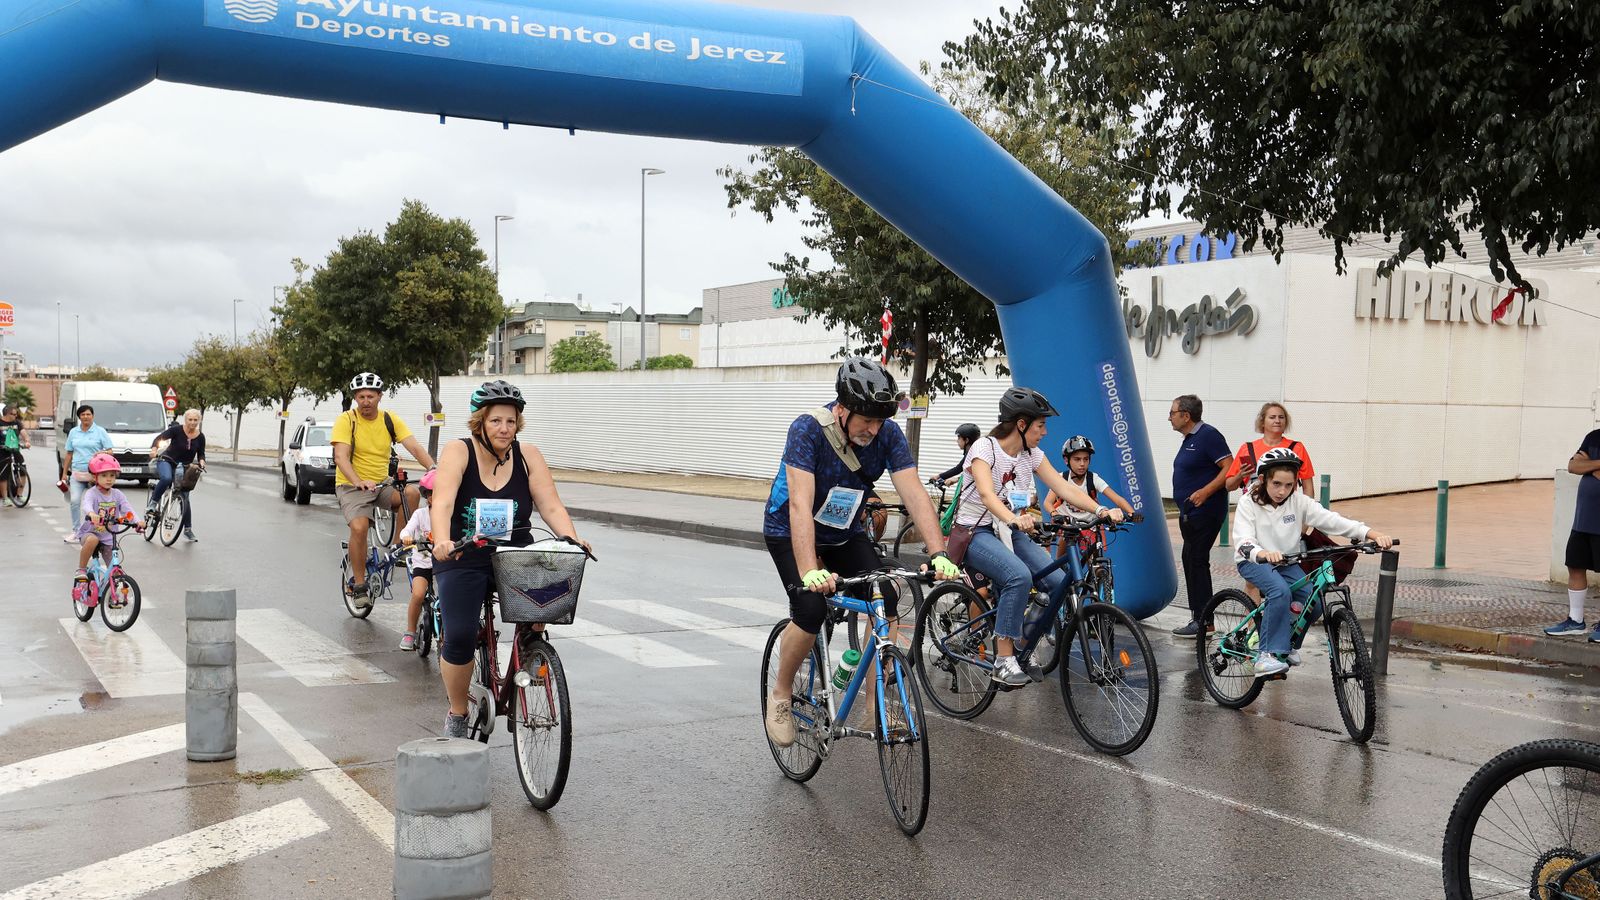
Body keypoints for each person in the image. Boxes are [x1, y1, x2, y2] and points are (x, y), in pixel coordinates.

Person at [762, 358, 960, 747]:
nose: (873, 429)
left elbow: (914, 492)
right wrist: (809, 571)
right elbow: (800, 504)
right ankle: (781, 694)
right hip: (789, 530)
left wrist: (939, 552)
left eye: (879, 420)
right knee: (810, 608)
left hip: (841, 531)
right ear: (842, 409)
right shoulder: (808, 430)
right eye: (865, 421)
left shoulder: (886, 434)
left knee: (885, 595)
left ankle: (877, 704)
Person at [430, 380, 589, 738]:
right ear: (480, 423)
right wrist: (442, 539)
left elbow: (550, 504)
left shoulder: (528, 454)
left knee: (544, 605)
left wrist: (573, 539)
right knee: (459, 634)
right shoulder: (459, 451)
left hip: (514, 554)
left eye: (511, 421)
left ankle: (532, 651)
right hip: (463, 553)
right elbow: (442, 502)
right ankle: (457, 712)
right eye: (496, 421)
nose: (504, 429)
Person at [952, 388, 1124, 685]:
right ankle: (1003, 660)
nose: (1045, 432)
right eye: (1040, 425)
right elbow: (986, 494)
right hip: (974, 532)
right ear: (1021, 424)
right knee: (1018, 576)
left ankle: (1023, 644)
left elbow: (1064, 487)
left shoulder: (1030, 454)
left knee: (1056, 583)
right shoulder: (985, 449)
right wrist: (1014, 519)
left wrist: (1101, 509)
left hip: (1009, 528)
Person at [1233, 448, 1393, 676]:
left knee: (1313, 599)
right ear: (1263, 479)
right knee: (1279, 591)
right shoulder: (1248, 503)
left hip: (1286, 561)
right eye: (1277, 484)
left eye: (1289, 485)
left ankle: (1287, 646)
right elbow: (1243, 540)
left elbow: (1331, 520)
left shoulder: (1298, 501)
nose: (1282, 491)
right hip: (1254, 561)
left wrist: (1371, 534)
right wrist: (1263, 553)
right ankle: (1265, 655)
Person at [333, 372, 435, 609]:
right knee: (359, 527)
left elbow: (414, 446)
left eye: (370, 396)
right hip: (352, 486)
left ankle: (399, 545)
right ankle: (359, 585)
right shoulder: (347, 420)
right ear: (355, 398)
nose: (365, 401)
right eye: (361, 396)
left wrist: (433, 468)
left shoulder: (389, 419)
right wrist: (358, 480)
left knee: (410, 493)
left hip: (381, 484)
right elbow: (341, 456)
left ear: (379, 396)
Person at [1169, 394, 1231, 637]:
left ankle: (1204, 621)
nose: (1169, 417)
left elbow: (1229, 466)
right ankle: (1200, 617)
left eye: (1173, 413)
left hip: (1206, 512)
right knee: (1190, 559)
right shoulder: (1189, 439)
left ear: (1186, 415)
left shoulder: (1208, 435)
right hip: (1191, 514)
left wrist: (1205, 492)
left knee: (1196, 560)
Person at [1546, 427, 1600, 641]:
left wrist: (1588, 466)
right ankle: (1575, 621)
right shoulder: (1593, 437)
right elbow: (1573, 466)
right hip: (1583, 520)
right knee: (1575, 566)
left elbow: (1582, 466)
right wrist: (1596, 466)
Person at [1043, 435, 1136, 556]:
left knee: (1094, 557)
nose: (1082, 464)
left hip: (1089, 525)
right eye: (1077, 459)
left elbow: (1117, 498)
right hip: (1068, 526)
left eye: (1085, 459)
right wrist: (1055, 515)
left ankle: (1095, 573)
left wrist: (1132, 513)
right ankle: (1061, 569)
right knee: (1062, 555)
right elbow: (1047, 503)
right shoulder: (1061, 479)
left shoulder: (1093, 479)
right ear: (1067, 460)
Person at [71, 453, 143, 602]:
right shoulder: (92, 493)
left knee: (116, 571)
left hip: (109, 537)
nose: (109, 479)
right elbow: (86, 505)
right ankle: (82, 569)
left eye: (112, 475)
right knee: (92, 541)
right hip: (91, 532)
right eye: (104, 475)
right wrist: (91, 513)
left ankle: (111, 594)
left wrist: (137, 522)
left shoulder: (117, 494)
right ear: (95, 477)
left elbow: (127, 510)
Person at [1224, 402, 1315, 497]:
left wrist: (1308, 510)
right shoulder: (1247, 449)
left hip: (1286, 507)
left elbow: (1307, 487)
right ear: (1262, 422)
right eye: (1272, 417)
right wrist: (1240, 476)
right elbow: (1229, 486)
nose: (1277, 421)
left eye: (1281, 417)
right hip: (1253, 508)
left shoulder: (1297, 447)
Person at [147, 408, 207, 541]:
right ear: (185, 420)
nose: (192, 422)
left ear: (199, 421)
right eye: (190, 419)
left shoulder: (200, 436)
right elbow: (159, 438)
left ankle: (188, 530)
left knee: (185, 497)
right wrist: (154, 449)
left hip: (185, 467)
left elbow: (201, 453)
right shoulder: (176, 430)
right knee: (167, 478)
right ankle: (153, 502)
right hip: (167, 460)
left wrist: (202, 462)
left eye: (195, 420)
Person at [59, 404, 114, 542]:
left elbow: (110, 451)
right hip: (77, 473)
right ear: (79, 417)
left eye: (88, 414)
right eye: (83, 414)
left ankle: (98, 530)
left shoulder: (100, 431)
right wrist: (64, 473)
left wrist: (102, 452)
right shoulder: (73, 432)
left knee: (98, 503)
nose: (86, 417)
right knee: (74, 501)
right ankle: (77, 531)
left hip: (96, 474)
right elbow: (69, 453)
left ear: (93, 416)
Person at [398, 469, 436, 652]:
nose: (434, 497)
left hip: (445, 563)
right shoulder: (420, 514)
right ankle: (410, 631)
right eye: (430, 493)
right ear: (426, 495)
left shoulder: (452, 515)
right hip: (423, 562)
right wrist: (406, 537)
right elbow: (406, 531)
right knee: (418, 595)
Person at [0, 404, 29, 508]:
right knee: (3, 475)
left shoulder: (16, 422)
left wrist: (26, 441)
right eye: (14, 414)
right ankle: (5, 498)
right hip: (2, 451)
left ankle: (19, 495)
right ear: (7, 414)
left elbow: (23, 432)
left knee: (22, 471)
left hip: (15, 449)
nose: (16, 416)